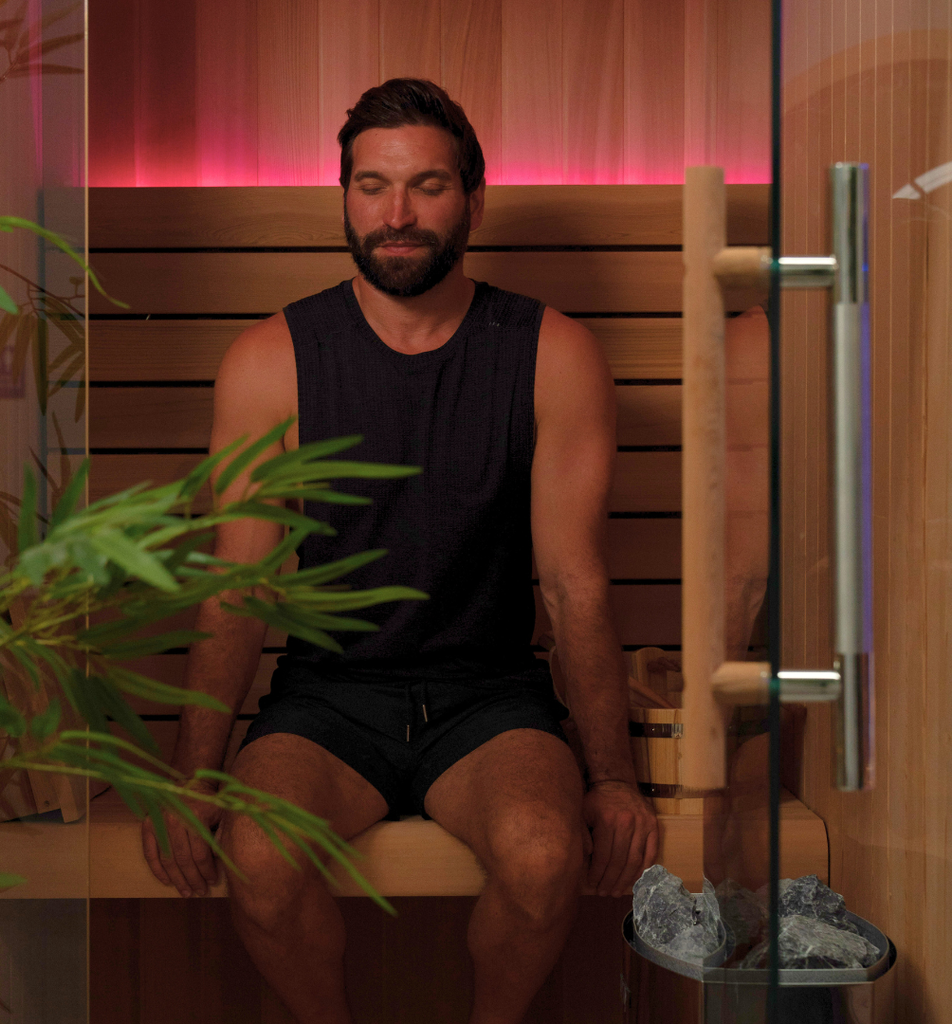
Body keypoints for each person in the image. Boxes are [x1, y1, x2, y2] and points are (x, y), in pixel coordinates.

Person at [141, 78, 659, 1024]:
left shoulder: (552, 352)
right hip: (329, 697)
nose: (398, 214)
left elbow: (575, 584)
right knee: (256, 853)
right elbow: (237, 589)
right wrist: (191, 779)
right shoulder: (272, 359)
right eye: (373, 186)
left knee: (547, 855)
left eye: (427, 185)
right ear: (343, 198)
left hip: (491, 697)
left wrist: (613, 777)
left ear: (473, 200)